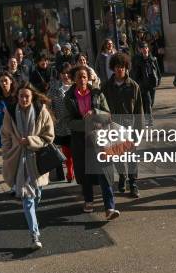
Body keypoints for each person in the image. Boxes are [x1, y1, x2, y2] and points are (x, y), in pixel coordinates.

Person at [1, 81, 55, 250]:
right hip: (18, 161)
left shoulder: (41, 111)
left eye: (27, 96)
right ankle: (35, 235)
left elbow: (49, 136)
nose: (24, 99)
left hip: (37, 159)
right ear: (17, 97)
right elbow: (5, 134)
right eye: (21, 96)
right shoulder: (10, 112)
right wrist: (8, 151)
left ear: (32, 97)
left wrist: (31, 140)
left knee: (37, 194)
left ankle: (31, 217)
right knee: (28, 198)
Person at [61, 65, 120, 220]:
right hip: (80, 139)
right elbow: (68, 122)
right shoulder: (69, 97)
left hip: (100, 138)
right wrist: (86, 125)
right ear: (74, 79)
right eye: (79, 77)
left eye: (85, 76)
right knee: (84, 171)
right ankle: (88, 200)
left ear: (89, 78)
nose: (82, 79)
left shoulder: (97, 93)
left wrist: (95, 112)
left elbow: (108, 115)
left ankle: (110, 207)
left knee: (104, 172)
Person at [102, 53, 144, 197]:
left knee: (132, 157)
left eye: (123, 67)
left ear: (127, 68)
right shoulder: (107, 86)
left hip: (130, 127)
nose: (120, 70)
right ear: (113, 68)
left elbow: (139, 110)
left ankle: (133, 183)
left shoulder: (133, 86)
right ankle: (122, 176)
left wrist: (140, 130)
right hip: (112, 127)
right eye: (117, 67)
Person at [48, 63, 75, 182]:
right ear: (59, 75)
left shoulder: (76, 87)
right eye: (63, 73)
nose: (65, 75)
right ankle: (69, 171)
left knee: (75, 150)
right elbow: (49, 106)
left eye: (68, 73)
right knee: (67, 151)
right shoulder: (54, 89)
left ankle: (73, 170)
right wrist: (53, 120)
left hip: (75, 124)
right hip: (61, 125)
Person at [131, 41, 161, 127]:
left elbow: (157, 71)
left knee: (150, 102)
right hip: (143, 85)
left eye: (146, 47)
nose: (145, 49)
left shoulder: (153, 59)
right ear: (139, 50)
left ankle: (146, 116)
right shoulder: (136, 59)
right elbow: (134, 73)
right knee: (148, 102)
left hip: (152, 84)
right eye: (142, 48)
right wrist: (138, 83)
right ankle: (149, 121)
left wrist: (158, 80)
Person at [0, 72, 17, 149]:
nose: (4, 83)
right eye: (1, 81)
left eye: (6, 80)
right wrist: (3, 114)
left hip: (17, 133)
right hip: (1, 134)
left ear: (11, 81)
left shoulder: (18, 96)